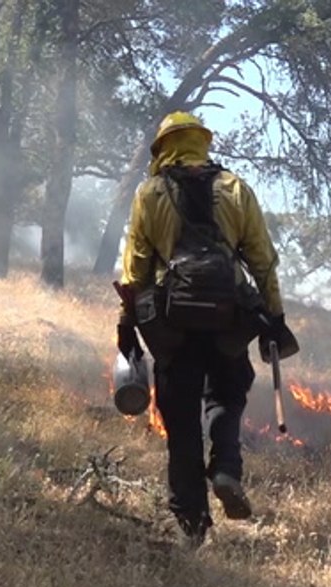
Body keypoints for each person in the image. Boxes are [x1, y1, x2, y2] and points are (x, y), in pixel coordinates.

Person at [116, 111, 298, 548]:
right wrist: (275, 318)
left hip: (171, 323)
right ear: (203, 143)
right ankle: (225, 469)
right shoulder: (236, 188)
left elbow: (136, 269)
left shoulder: (150, 193)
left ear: (163, 148)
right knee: (227, 393)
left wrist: (127, 325)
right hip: (228, 318)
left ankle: (193, 526)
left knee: (179, 422)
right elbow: (262, 260)